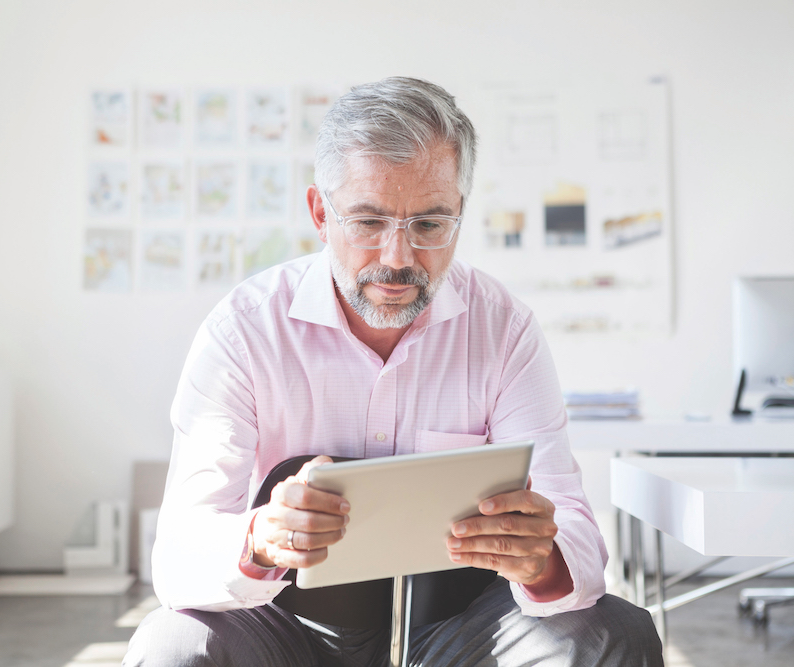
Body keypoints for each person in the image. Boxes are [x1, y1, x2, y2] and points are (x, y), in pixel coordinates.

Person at [124, 77, 662, 666]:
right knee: (171, 646)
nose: (398, 259)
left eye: (430, 225)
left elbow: (577, 535)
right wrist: (259, 540)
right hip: (283, 627)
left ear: (459, 213)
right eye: (368, 222)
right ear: (319, 214)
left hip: (462, 628)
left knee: (616, 632)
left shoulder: (504, 330)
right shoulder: (245, 331)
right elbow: (177, 559)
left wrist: (544, 557)